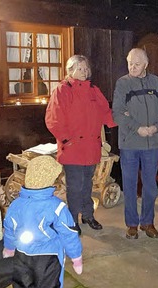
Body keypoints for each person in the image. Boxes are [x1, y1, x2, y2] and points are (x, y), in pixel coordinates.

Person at [45, 54, 116, 233]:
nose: (84, 72)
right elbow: (53, 119)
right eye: (80, 68)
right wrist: (67, 140)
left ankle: (87, 215)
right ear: (70, 70)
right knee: (75, 187)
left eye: (86, 69)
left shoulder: (93, 90)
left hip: (91, 147)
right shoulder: (62, 90)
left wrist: (124, 119)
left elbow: (106, 112)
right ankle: (72, 219)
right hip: (72, 149)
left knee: (88, 184)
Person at [3, 155, 83, 288]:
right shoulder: (57, 206)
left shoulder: (15, 204)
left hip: (21, 256)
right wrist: (76, 257)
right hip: (48, 259)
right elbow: (69, 233)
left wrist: (9, 248)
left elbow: (9, 229)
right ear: (49, 180)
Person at [112, 48, 158, 239]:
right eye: (130, 63)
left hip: (152, 141)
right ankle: (131, 224)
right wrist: (137, 127)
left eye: (137, 64)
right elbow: (118, 112)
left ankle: (147, 222)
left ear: (146, 64)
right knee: (129, 185)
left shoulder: (156, 82)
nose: (132, 67)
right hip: (130, 142)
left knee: (150, 186)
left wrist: (156, 127)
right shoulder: (123, 83)